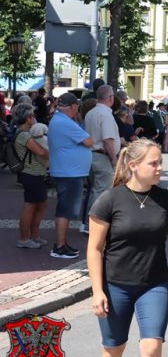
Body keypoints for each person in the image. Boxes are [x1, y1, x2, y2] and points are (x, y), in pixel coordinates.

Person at [87, 139, 168, 357]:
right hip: (115, 286)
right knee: (113, 349)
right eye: (153, 163)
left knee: (152, 348)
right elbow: (94, 248)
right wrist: (97, 290)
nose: (160, 168)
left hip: (153, 285)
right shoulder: (109, 200)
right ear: (133, 165)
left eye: (160, 163)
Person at [48, 93, 93, 257]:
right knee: (65, 210)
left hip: (67, 171)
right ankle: (60, 246)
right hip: (69, 173)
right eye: (77, 107)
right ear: (73, 107)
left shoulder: (59, 120)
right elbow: (89, 141)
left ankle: (62, 243)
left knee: (65, 209)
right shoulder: (65, 122)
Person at [12, 103, 49, 250]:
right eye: (32, 116)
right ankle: (24, 238)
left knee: (40, 205)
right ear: (27, 118)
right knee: (30, 206)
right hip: (31, 174)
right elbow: (41, 152)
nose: (34, 118)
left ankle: (34, 236)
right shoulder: (24, 135)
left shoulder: (23, 133)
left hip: (35, 174)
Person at [85, 85, 121, 216]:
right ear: (110, 98)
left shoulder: (90, 113)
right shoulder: (105, 115)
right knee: (101, 191)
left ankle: (89, 221)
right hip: (102, 156)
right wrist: (114, 159)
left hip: (92, 154)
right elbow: (107, 140)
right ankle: (94, 223)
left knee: (95, 190)